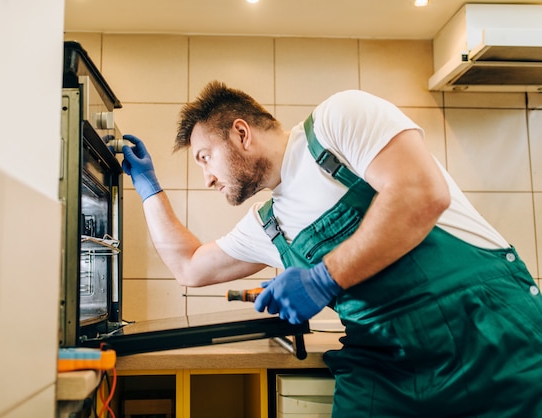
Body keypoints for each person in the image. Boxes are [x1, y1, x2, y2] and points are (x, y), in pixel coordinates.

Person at [119, 80, 542, 417]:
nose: (207, 178)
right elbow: (189, 266)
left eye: (205, 158)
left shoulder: (338, 121)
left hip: (488, 336)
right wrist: (147, 188)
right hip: (386, 369)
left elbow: (419, 193)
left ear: (241, 133)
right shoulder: (269, 224)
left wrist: (324, 278)